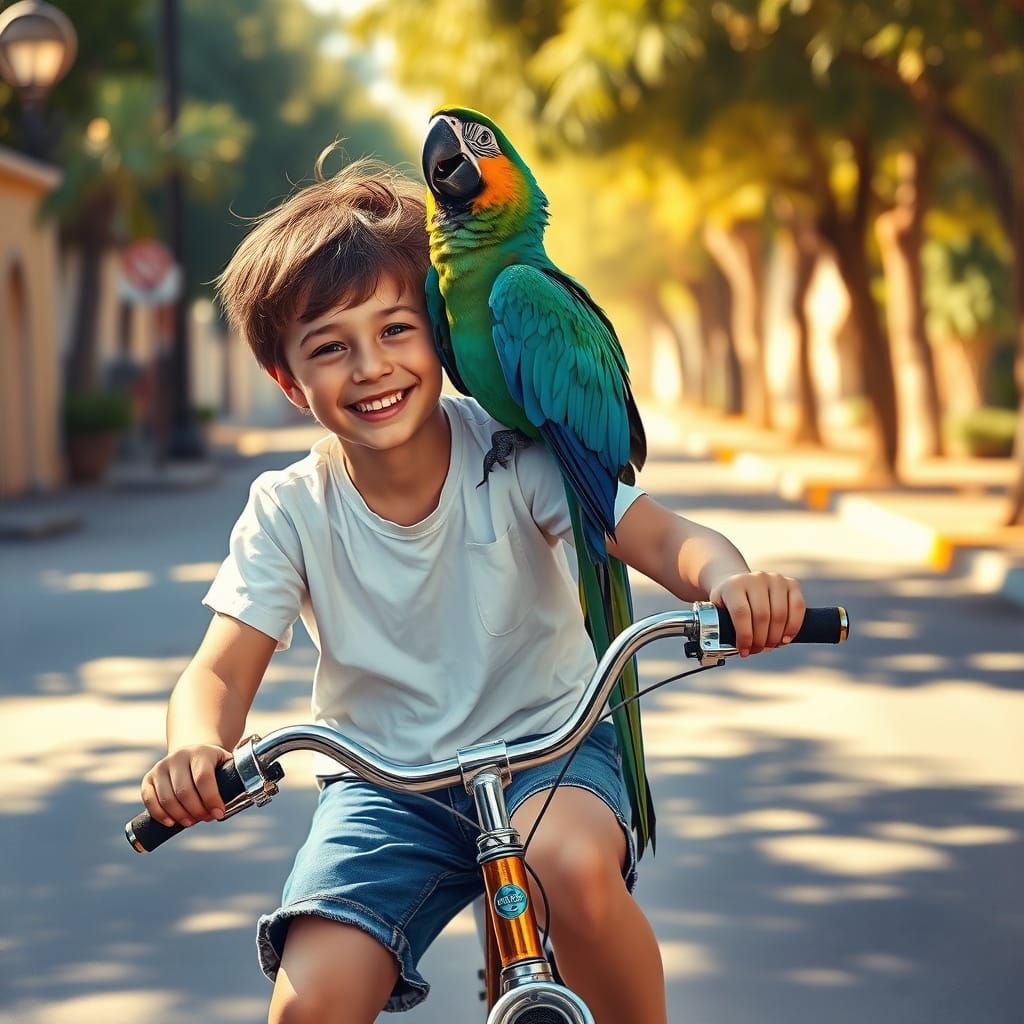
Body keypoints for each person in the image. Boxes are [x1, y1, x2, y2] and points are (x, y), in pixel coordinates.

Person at [139, 155, 806, 1024]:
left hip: (549, 751)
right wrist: (195, 746)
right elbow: (221, 671)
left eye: (396, 330)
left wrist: (731, 580)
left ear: (442, 330)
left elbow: (666, 536)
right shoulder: (289, 508)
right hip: (384, 792)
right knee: (311, 1001)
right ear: (287, 382)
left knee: (573, 871)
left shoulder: (518, 459)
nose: (372, 367)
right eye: (331, 348)